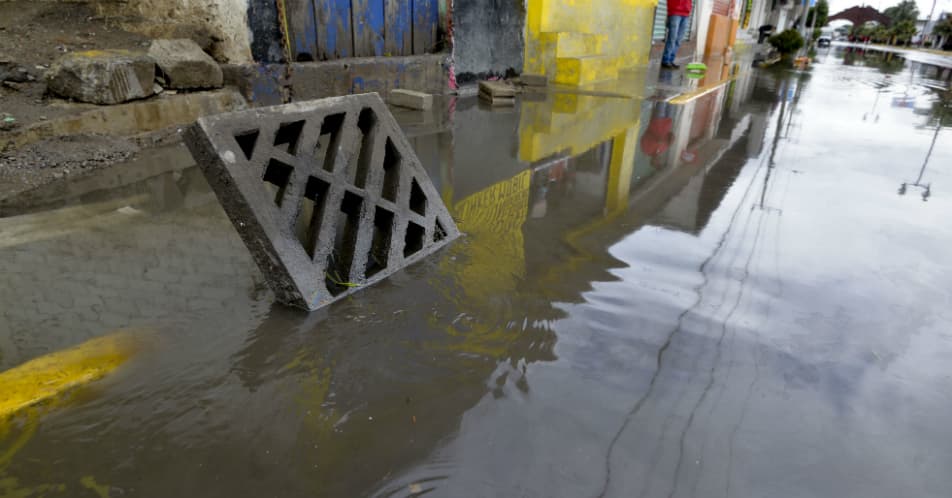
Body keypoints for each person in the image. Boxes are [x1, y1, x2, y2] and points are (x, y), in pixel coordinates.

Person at [662, 0, 693, 69]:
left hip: (686, 14)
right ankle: (666, 60)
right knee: (672, 38)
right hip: (675, 12)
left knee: (678, 40)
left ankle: (671, 60)